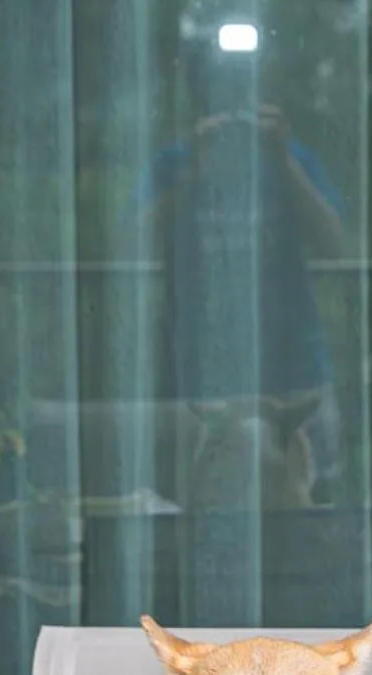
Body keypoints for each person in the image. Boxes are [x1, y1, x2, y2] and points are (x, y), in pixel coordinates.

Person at [139, 34, 345, 499]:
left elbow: (334, 244)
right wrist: (194, 173)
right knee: (198, 500)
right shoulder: (174, 166)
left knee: (312, 502)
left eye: (242, 92)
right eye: (221, 93)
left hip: (295, 373)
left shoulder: (292, 163)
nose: (233, 106)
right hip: (200, 379)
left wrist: (282, 159)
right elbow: (129, 246)